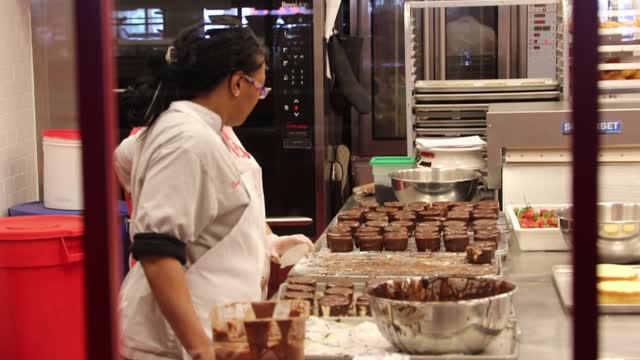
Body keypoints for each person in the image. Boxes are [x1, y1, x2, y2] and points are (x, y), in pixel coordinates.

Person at [114, 24, 313, 360]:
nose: (259, 97)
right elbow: (156, 250)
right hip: (176, 342)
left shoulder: (208, 128)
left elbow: (209, 210)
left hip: (215, 326)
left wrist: (263, 243)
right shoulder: (185, 138)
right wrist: (200, 348)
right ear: (237, 83)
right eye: (260, 88)